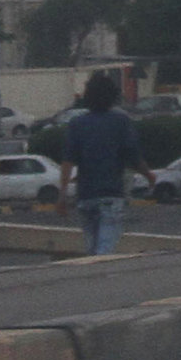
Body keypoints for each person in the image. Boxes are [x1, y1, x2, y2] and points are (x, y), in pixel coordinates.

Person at [60, 72, 146, 255]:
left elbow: (67, 162)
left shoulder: (76, 124)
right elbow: (133, 157)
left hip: (85, 197)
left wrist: (62, 195)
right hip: (111, 195)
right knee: (104, 250)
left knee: (92, 249)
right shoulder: (121, 121)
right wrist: (149, 174)